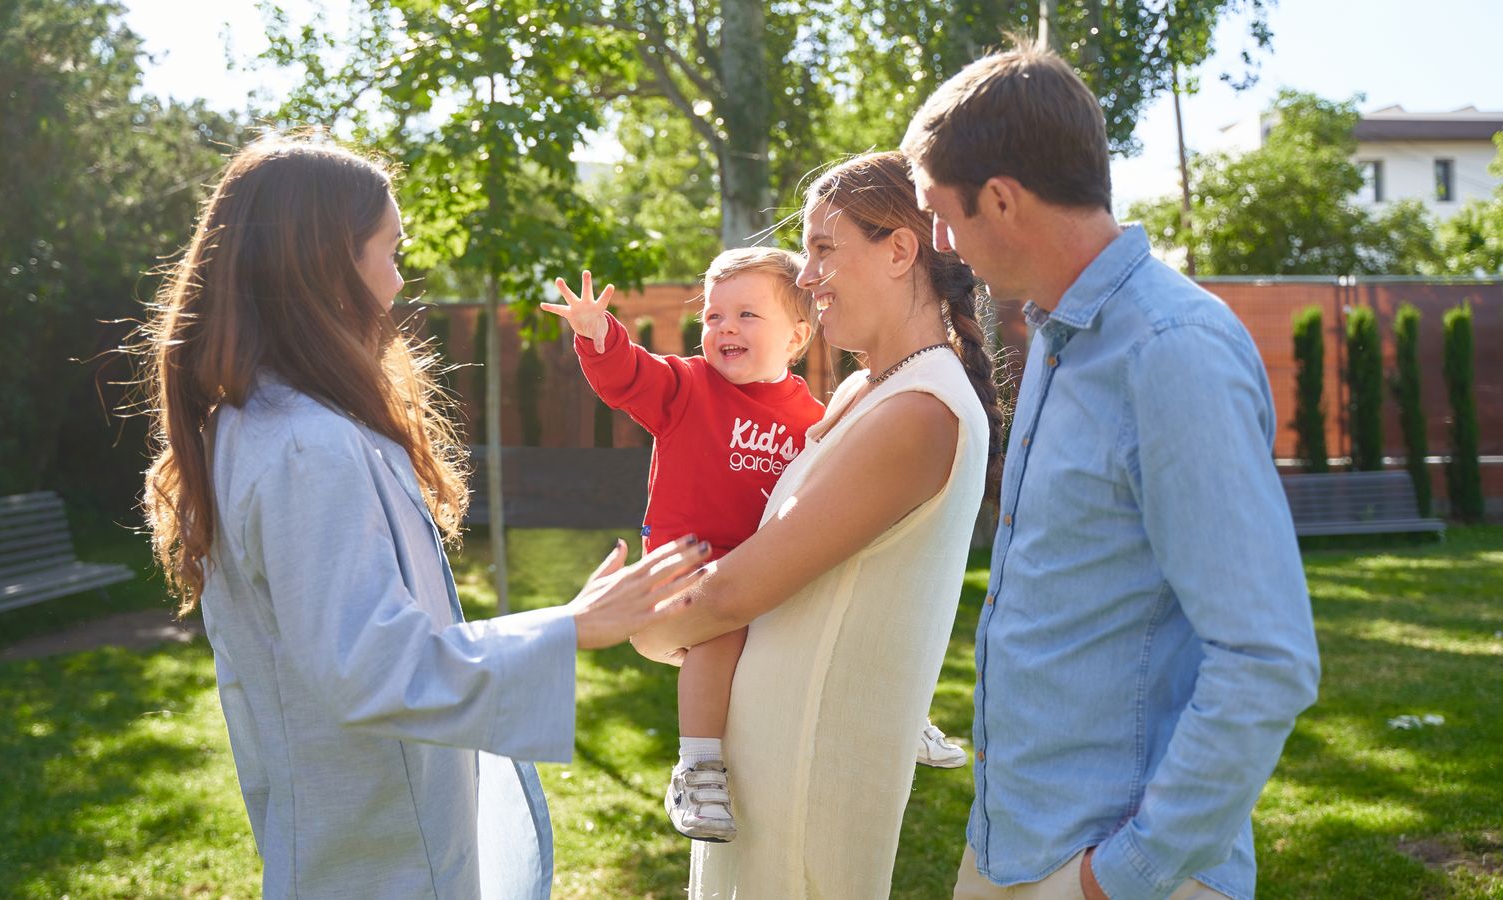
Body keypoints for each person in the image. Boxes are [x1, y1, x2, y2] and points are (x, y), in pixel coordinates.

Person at [137, 137, 709, 899]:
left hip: (366, 837)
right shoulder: (306, 446)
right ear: (327, 266)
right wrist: (574, 625)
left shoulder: (267, 422)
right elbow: (373, 668)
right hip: (377, 857)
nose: (400, 281)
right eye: (390, 252)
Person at [900, 45, 1320, 900]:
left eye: (943, 215)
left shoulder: (1170, 352)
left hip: (1112, 868)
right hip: (1016, 843)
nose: (941, 247)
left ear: (1004, 200)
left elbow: (1265, 658)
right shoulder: (1059, 337)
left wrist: (1118, 877)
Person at [630, 150, 1005, 898]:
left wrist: (638, 622)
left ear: (901, 250)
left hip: (807, 776)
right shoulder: (869, 389)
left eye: (823, 249)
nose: (804, 277)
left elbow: (737, 593)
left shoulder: (918, 411)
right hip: (766, 763)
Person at [543, 250, 825, 842]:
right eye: (714, 316)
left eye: (747, 314)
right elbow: (629, 375)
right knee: (718, 632)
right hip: (687, 573)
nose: (724, 328)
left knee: (824, 615)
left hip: (762, 575)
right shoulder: (687, 387)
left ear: (797, 335)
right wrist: (599, 333)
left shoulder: (812, 420)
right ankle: (698, 766)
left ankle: (892, 715)